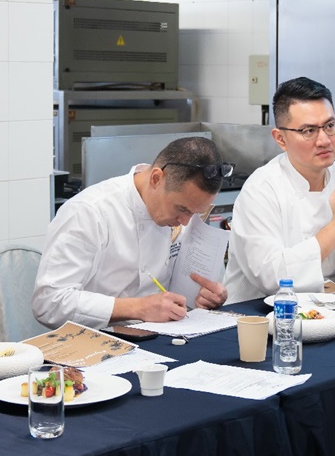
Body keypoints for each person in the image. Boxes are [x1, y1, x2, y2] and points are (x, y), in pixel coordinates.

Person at [33, 136, 229, 329]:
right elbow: (49, 303)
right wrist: (137, 308)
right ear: (156, 179)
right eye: (182, 209)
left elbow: (184, 290)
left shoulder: (182, 210)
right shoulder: (88, 212)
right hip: (96, 339)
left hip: (163, 333)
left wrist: (208, 296)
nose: (185, 222)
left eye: (195, 213)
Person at [223, 76, 335, 301]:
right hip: (255, 312)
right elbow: (272, 278)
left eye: (330, 126)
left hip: (324, 307)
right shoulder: (261, 189)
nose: (324, 140)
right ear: (280, 138)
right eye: (309, 131)